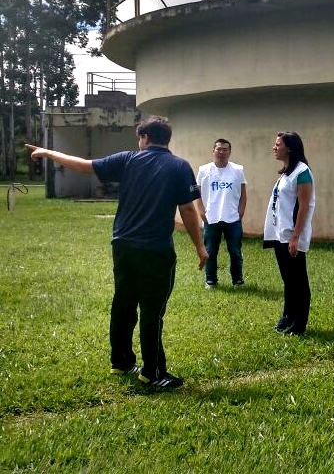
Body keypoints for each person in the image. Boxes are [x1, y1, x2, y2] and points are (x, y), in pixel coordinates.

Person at [26, 117, 207, 389]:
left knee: (123, 304)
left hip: (123, 246)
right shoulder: (179, 166)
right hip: (156, 249)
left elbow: (84, 166)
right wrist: (200, 247)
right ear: (165, 139)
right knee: (151, 310)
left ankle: (121, 362)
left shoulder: (127, 160)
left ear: (145, 137)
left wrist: (48, 152)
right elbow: (188, 210)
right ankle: (153, 372)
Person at [263, 131, 315, 335]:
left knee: (298, 280)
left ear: (290, 148)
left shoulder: (302, 172)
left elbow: (304, 206)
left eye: (278, 144)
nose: (274, 148)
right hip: (280, 234)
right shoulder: (286, 173)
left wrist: (295, 236)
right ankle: (288, 316)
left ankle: (299, 323)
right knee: (288, 280)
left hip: (291, 235)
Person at [195, 138, 247, 288]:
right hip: (211, 218)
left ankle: (237, 280)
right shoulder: (204, 170)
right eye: (218, 149)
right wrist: (202, 213)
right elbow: (197, 194)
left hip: (233, 219)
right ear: (213, 151)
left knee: (235, 252)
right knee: (210, 251)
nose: (221, 152)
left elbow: (243, 194)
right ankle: (211, 280)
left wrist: (240, 212)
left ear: (229, 152)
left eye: (225, 149)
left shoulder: (237, 170)